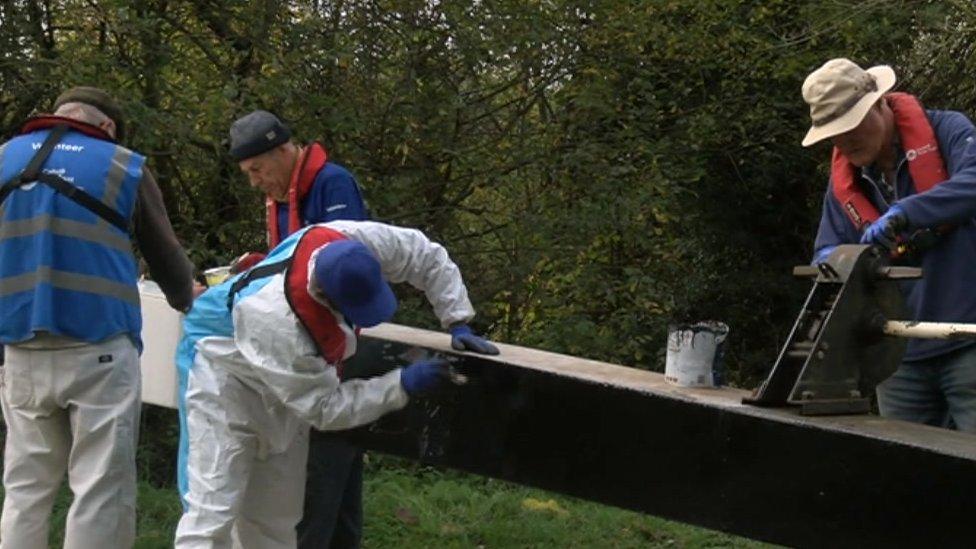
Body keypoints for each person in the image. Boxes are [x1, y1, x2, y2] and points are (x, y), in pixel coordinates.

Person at [173, 220, 500, 547]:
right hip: (220, 371)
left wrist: (457, 319)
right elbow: (325, 408)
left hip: (284, 378)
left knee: (276, 517)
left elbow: (425, 254)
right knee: (213, 511)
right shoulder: (277, 320)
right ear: (326, 298)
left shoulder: (352, 240)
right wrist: (400, 385)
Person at [0, 86, 195, 547]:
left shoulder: (5, 156)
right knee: (100, 488)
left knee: (25, 486)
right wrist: (188, 299)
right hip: (99, 347)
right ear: (106, 127)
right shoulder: (122, 164)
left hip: (20, 349)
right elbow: (165, 257)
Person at [802, 58, 976, 432]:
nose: (845, 141)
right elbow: (826, 251)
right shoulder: (845, 184)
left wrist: (905, 212)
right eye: (834, 134)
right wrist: (836, 261)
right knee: (908, 474)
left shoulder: (949, 130)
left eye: (851, 126)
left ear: (880, 103)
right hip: (898, 359)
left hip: (969, 343)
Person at [228, 109, 372, 548]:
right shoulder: (283, 194)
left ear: (283, 150)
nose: (254, 182)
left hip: (334, 352)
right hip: (309, 347)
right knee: (337, 476)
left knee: (319, 477)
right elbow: (295, 265)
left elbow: (343, 266)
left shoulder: (332, 184)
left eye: (257, 169)